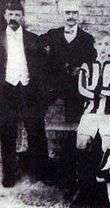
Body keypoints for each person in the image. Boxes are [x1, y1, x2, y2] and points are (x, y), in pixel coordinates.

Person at [0, 0, 49, 187]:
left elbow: (43, 69)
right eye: (10, 14)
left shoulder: (33, 39)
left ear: (22, 17)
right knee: (7, 133)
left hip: (28, 91)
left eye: (17, 15)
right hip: (6, 91)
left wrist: (41, 93)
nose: (13, 18)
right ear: (5, 16)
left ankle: (42, 172)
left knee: (36, 131)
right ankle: (10, 175)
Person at [73, 30, 110, 205]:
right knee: (81, 144)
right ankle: (83, 184)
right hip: (90, 113)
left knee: (106, 146)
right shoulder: (87, 65)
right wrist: (103, 91)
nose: (103, 48)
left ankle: (104, 186)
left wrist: (95, 90)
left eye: (107, 44)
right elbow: (82, 90)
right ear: (95, 46)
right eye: (100, 44)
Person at [39, 0, 97, 123]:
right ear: (62, 15)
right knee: (37, 105)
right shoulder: (53, 34)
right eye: (68, 13)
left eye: (74, 13)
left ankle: (71, 141)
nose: (71, 16)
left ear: (78, 15)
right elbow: (37, 45)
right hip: (54, 84)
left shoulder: (87, 38)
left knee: (74, 119)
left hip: (75, 86)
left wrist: (81, 68)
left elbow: (91, 61)